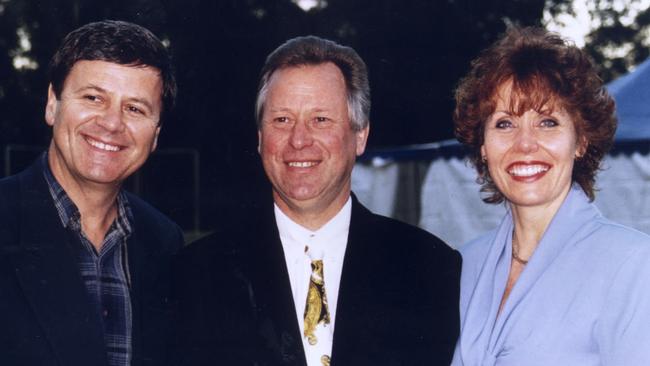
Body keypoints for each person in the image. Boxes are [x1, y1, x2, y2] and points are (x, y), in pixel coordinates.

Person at [173, 35, 460, 366]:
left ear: (360, 135)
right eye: (282, 120)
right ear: (260, 138)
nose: (298, 140)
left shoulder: (430, 269)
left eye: (320, 119)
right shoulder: (197, 274)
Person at [451, 26, 650, 365]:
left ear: (581, 141)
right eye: (504, 124)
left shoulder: (633, 265)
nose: (525, 144)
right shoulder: (464, 263)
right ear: (483, 147)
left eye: (547, 123)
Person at [0, 20, 184, 366]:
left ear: (156, 134)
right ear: (52, 104)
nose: (112, 123)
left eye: (134, 108)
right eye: (93, 98)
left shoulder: (165, 243)